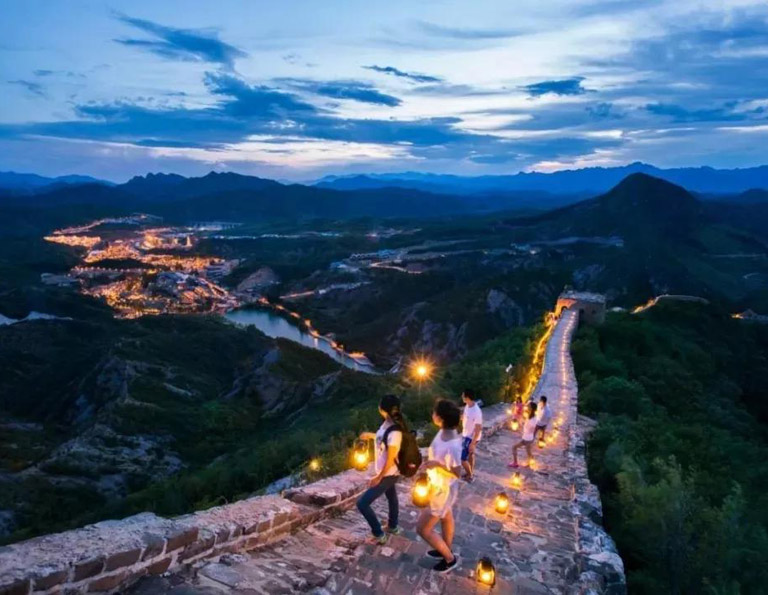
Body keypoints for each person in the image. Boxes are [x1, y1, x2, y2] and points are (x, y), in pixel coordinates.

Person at [418, 399, 463, 573]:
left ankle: (450, 559)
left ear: (441, 418)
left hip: (443, 490)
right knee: (446, 517)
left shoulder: (453, 445)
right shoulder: (444, 432)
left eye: (435, 412)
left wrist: (436, 465)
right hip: (438, 484)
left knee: (422, 528)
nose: (433, 414)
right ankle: (444, 547)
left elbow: (457, 473)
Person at [356, 394, 404, 545]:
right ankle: (393, 526)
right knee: (392, 498)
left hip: (388, 474)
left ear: (382, 409)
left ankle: (378, 533)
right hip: (389, 473)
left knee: (362, 504)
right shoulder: (387, 424)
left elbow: (391, 457)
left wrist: (379, 477)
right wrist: (369, 436)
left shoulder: (395, 431)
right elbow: (382, 438)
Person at [460, 388, 483, 483]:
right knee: (471, 455)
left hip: (471, 437)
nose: (461, 397)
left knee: (461, 458)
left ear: (467, 397)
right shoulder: (467, 406)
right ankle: (470, 472)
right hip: (466, 434)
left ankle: (470, 476)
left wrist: (472, 443)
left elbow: (478, 429)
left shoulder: (476, 411)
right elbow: (465, 417)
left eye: (463, 395)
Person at [509, 402, 537, 469]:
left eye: (529, 407)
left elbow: (531, 429)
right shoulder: (530, 416)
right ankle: (530, 462)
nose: (527, 408)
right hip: (528, 438)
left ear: (532, 408)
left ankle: (515, 463)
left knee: (514, 447)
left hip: (527, 439)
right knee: (529, 452)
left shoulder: (533, 419)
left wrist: (524, 428)